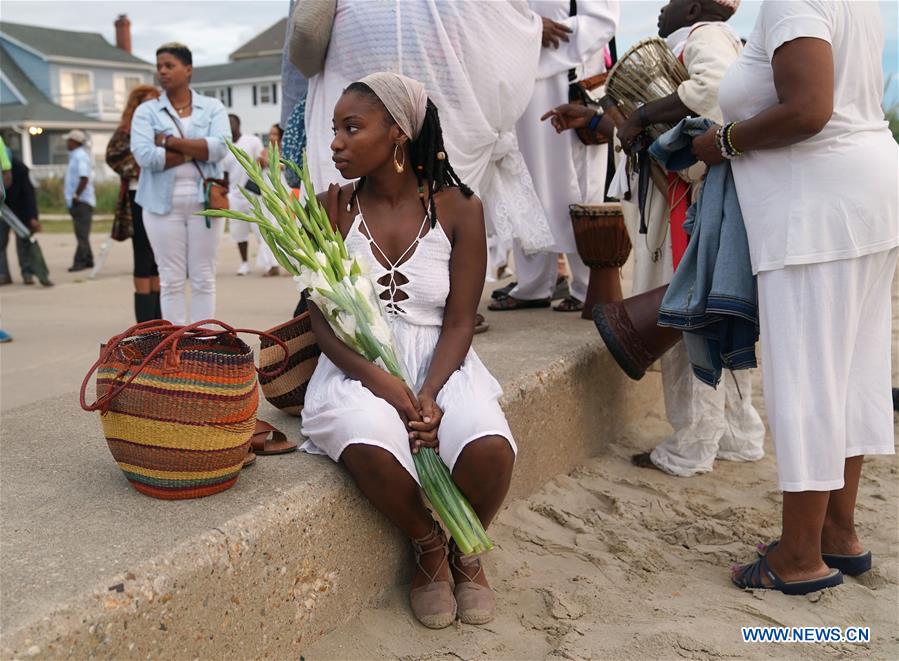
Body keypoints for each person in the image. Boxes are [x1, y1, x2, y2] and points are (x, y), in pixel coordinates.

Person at [690, 0, 897, 594]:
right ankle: (838, 533)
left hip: (817, 211)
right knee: (850, 373)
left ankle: (799, 556)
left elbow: (809, 110)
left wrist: (725, 140)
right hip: (864, 195)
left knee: (806, 379)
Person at [300, 73, 516, 629]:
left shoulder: (460, 207)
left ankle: (467, 552)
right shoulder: (332, 208)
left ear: (397, 133)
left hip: (443, 365)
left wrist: (427, 392)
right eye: (335, 130)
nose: (336, 144)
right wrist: (384, 384)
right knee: (368, 439)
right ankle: (427, 546)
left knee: (491, 447)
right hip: (357, 367)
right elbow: (321, 320)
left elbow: (462, 319)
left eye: (352, 128)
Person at [545, 0, 765, 477]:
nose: (661, 9)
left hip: (692, 208)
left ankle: (693, 446)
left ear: (693, 7)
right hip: (701, 205)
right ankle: (738, 436)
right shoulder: (714, 40)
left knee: (689, 328)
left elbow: (709, 93)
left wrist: (642, 114)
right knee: (713, 322)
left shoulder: (704, 38)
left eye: (669, 2)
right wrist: (602, 120)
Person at [489, 0, 618, 313]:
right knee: (524, 178)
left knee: (576, 184)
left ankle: (587, 285)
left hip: (568, 82)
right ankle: (533, 284)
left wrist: (534, 35)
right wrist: (529, 30)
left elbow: (602, 21)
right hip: (519, 78)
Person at [131, 42, 230, 326]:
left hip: (205, 203)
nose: (162, 71)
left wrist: (170, 142)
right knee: (171, 278)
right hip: (161, 205)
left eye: (169, 65)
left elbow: (221, 147)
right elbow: (145, 155)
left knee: (203, 275)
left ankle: (205, 342)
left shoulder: (212, 108)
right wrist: (195, 149)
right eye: (159, 66)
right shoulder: (147, 112)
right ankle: (175, 345)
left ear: (188, 70)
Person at [106, 84, 162, 322]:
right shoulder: (125, 131)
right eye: (147, 101)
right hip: (137, 195)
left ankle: (159, 317)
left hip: (160, 195)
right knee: (142, 253)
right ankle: (144, 320)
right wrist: (142, 166)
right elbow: (113, 156)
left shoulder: (163, 129)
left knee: (159, 255)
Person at [222, 114, 274, 276]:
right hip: (235, 196)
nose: (230, 125)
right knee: (239, 231)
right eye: (227, 123)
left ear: (238, 124)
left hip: (253, 193)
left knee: (260, 230)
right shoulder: (224, 147)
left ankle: (269, 262)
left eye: (232, 122)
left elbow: (263, 161)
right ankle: (244, 263)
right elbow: (224, 174)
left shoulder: (252, 141)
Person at [1, 156, 51, 286]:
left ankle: (27, 273)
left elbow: (29, 194)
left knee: (24, 242)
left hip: (20, 210)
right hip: (3, 209)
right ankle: (3, 274)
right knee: (0, 243)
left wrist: (33, 217)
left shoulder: (19, 168)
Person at [63, 129, 95, 272]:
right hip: (78, 201)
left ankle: (80, 261)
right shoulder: (75, 156)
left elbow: (84, 178)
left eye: (68, 140)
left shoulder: (80, 156)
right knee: (82, 233)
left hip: (81, 201)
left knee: (81, 233)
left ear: (75, 142)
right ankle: (88, 259)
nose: (66, 143)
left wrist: (76, 195)